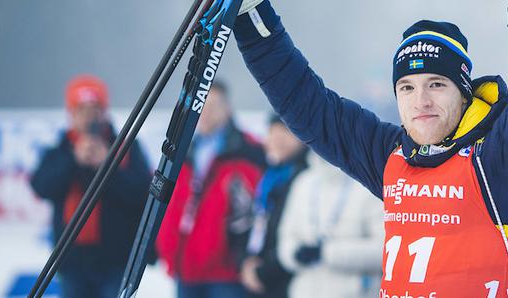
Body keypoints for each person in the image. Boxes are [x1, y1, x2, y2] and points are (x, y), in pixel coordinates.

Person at [230, 0, 508, 296]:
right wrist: (248, 15)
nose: (421, 101)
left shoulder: (500, 163)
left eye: (436, 84)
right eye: (406, 88)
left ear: (464, 92)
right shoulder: (392, 156)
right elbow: (306, 103)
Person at [30, 75, 151, 298]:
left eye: (94, 109)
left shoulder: (126, 147)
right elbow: (41, 187)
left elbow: (142, 192)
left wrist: (108, 166)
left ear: (104, 111)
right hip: (72, 261)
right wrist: (73, 160)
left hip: (115, 261)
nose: (88, 117)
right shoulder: (60, 150)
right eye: (81, 110)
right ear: (71, 113)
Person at [157, 81, 266, 298]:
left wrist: (243, 257)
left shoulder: (249, 150)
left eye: (213, 106)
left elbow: (259, 210)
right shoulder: (181, 150)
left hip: (226, 273)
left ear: (228, 108)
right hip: (186, 268)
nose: (205, 114)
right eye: (201, 106)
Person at [276, 152, 384, 296]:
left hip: (356, 293)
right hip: (305, 292)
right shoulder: (303, 182)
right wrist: (295, 254)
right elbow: (286, 237)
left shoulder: (368, 183)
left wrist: (327, 253)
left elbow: (384, 250)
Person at [239, 115, 310, 297]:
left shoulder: (305, 177)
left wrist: (263, 274)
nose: (277, 140)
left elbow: (299, 235)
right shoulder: (268, 175)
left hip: (287, 280)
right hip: (260, 274)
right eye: (272, 132)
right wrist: (247, 261)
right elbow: (254, 223)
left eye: (285, 132)